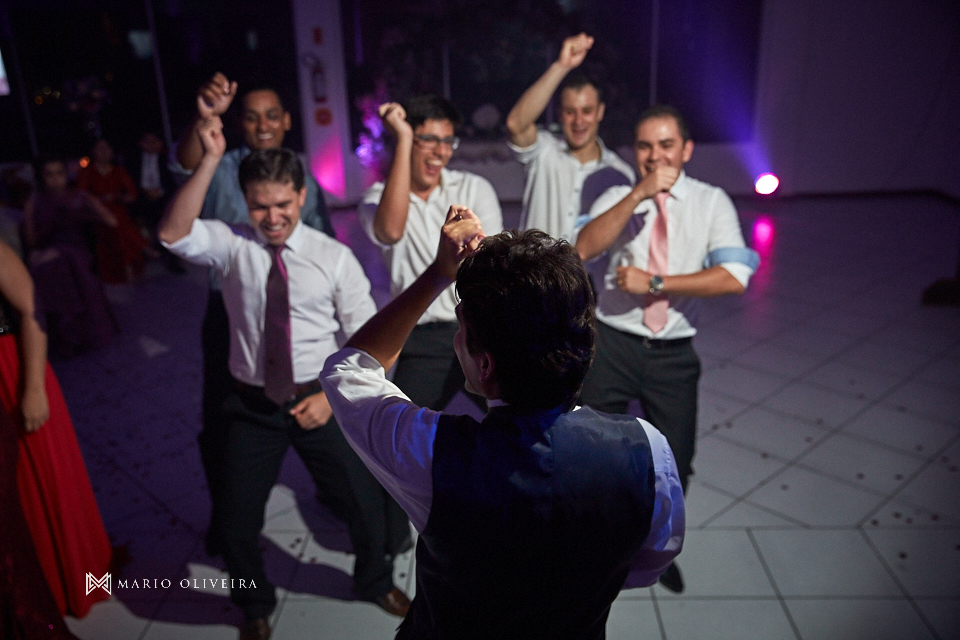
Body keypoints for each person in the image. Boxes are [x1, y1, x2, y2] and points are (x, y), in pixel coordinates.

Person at [320, 209, 685, 639]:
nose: (457, 339)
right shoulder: (647, 449)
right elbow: (648, 563)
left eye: (461, 329)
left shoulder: (431, 453)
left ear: (485, 365)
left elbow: (348, 369)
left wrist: (438, 276)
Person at [159, 119, 411, 640]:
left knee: (365, 503)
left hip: (320, 399)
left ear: (301, 196)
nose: (272, 218)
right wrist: (209, 160)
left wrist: (329, 399)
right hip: (251, 405)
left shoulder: (333, 258)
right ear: (245, 203)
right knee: (235, 517)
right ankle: (254, 605)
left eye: (282, 204)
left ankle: (374, 580)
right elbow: (172, 234)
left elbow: (372, 343)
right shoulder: (232, 244)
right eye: (259, 207)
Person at [575, 105, 759, 593]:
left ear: (687, 149)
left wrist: (656, 282)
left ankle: (654, 547)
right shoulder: (618, 195)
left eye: (666, 145)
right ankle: (600, 546)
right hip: (611, 341)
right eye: (644, 146)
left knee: (675, 461)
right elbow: (584, 248)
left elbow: (735, 276)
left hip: (673, 351)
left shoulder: (710, 201)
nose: (655, 156)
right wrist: (639, 193)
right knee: (595, 453)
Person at [171, 73, 335, 557]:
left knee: (316, 410)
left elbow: (324, 239)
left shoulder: (303, 176)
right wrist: (203, 119)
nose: (262, 125)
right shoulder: (222, 163)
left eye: (271, 115)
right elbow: (183, 164)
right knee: (222, 421)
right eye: (251, 116)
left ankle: (335, 492)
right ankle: (227, 521)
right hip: (231, 314)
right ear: (239, 123)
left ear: (286, 122)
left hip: (293, 313)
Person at [358, 95, 502, 412]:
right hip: (422, 337)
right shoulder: (376, 199)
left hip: (479, 328)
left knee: (519, 423)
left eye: (448, 141)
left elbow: (491, 263)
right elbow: (390, 232)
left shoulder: (473, 188)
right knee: (400, 428)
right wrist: (403, 136)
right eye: (429, 140)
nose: (441, 151)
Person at [0, 239, 112, 622]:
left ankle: (62, 583)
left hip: (13, 375)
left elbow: (33, 311)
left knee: (39, 484)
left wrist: (33, 389)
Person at [506, 32, 634, 240]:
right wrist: (562, 65)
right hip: (534, 262)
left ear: (600, 112)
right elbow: (516, 125)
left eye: (587, 111)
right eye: (570, 112)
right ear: (559, 114)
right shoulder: (544, 151)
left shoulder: (620, 173)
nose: (578, 121)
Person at [23, 158, 120, 358]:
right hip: (50, 248)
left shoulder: (80, 196)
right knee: (46, 265)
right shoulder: (35, 201)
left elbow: (111, 221)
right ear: (41, 177)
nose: (55, 179)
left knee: (65, 262)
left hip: (77, 249)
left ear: (66, 175)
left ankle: (79, 335)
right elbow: (31, 239)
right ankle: (63, 338)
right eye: (49, 174)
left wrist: (84, 215)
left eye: (59, 173)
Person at [77, 139, 152, 283]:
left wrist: (118, 196)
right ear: (93, 151)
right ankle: (142, 246)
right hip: (97, 213)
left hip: (118, 209)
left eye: (107, 148)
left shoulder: (118, 171)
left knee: (118, 227)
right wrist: (100, 201)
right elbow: (82, 196)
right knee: (116, 222)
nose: (105, 152)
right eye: (100, 149)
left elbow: (132, 194)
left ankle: (129, 270)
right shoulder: (87, 172)